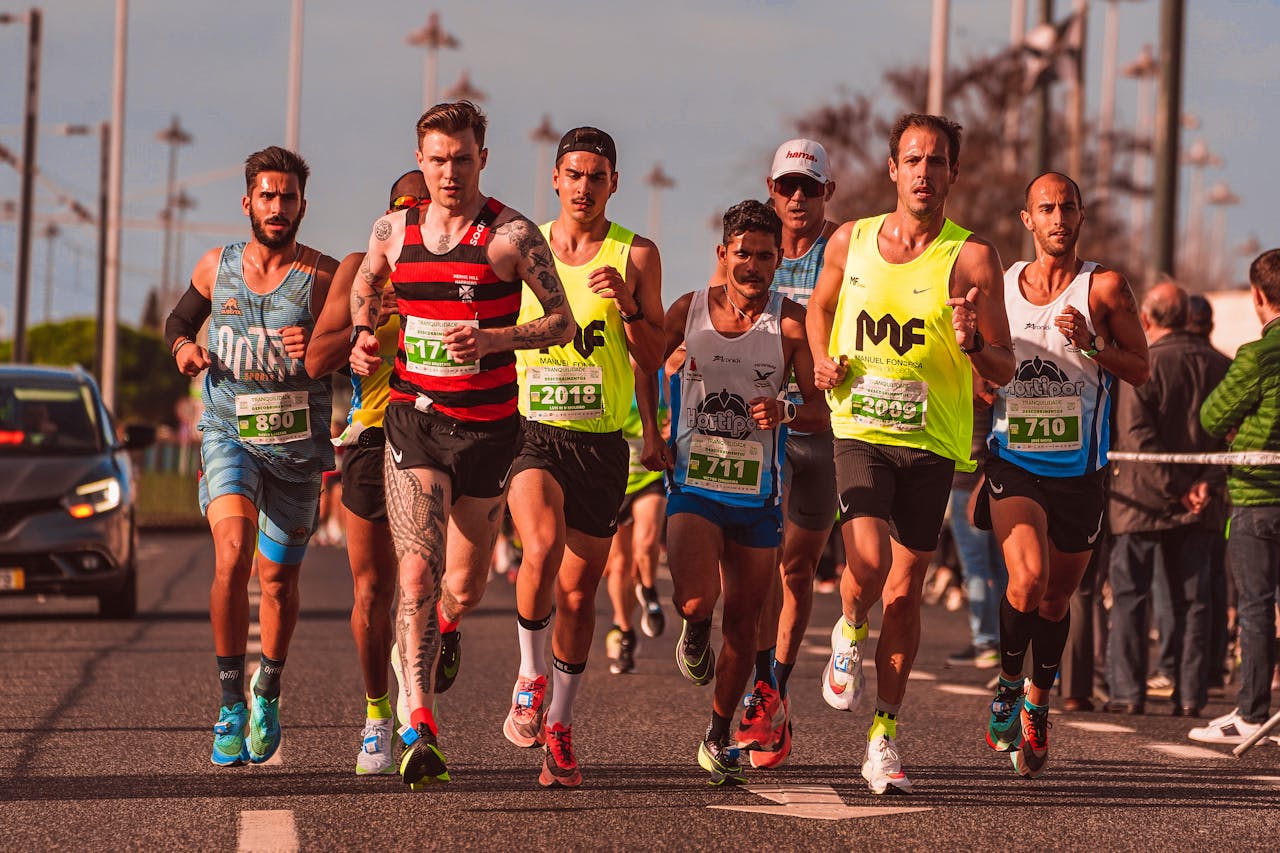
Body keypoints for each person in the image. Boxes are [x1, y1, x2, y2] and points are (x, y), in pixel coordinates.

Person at [349, 101, 575, 787]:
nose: (450, 171)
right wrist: (363, 334)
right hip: (416, 420)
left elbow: (562, 320)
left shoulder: (510, 235)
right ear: (421, 160)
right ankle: (420, 724)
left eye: (463, 158)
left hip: (488, 430)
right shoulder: (392, 230)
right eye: (438, 159)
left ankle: (445, 624)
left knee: (464, 585)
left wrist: (497, 338)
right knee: (412, 573)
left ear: (483, 157)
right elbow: (366, 285)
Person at [807, 113, 1015, 794]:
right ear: (893, 168)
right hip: (861, 428)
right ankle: (847, 625)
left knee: (905, 591)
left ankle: (884, 735)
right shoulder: (852, 238)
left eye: (938, 161)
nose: (925, 172)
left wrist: (972, 340)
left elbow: (1006, 365)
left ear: (955, 172)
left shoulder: (973, 256)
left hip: (932, 442)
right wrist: (820, 358)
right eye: (913, 159)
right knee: (865, 564)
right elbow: (820, 307)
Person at [164, 146, 338, 768]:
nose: (277, 207)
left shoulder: (324, 276)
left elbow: (363, 340)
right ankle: (230, 700)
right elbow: (178, 320)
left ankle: (269, 683)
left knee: (279, 581)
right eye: (266, 196)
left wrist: (325, 341)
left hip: (295, 447)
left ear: (301, 206)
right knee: (233, 554)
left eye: (287, 197)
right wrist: (185, 347)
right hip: (229, 429)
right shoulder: (218, 267)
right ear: (248, 203)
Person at [502, 127, 664, 788]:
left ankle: (561, 727)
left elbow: (654, 356)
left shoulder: (638, 254)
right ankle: (528, 674)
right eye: (573, 174)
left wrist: (628, 306)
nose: (584, 187)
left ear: (613, 184)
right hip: (533, 429)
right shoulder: (519, 248)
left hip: (600, 442)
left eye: (597, 177)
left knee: (577, 592)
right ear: (556, 179)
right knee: (538, 548)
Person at [980, 172, 1149, 778]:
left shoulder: (1102, 288)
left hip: (1080, 469)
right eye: (1045, 208)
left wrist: (1094, 344)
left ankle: (1037, 703)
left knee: (1056, 597)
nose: (1058, 218)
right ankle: (1004, 684)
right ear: (1027, 219)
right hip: (1014, 460)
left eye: (1068, 207)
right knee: (1026, 581)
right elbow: (985, 378)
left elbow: (1141, 369)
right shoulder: (999, 288)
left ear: (1081, 216)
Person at [661, 199, 825, 785]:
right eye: (742, 254)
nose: (753, 265)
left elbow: (820, 408)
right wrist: (650, 425)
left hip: (756, 498)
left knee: (747, 621)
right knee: (698, 602)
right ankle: (692, 628)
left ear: (778, 259)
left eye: (764, 255)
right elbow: (635, 359)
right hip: (695, 487)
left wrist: (786, 409)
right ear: (722, 255)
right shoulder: (689, 310)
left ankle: (716, 734)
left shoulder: (790, 323)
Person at [305, 170, 428, 775]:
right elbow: (315, 357)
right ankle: (381, 715)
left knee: (434, 585)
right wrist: (360, 328)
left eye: (424, 207)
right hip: (371, 434)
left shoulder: (467, 265)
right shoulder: (364, 268)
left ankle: (425, 683)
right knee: (374, 589)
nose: (415, 216)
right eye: (405, 208)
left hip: (441, 432)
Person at [736, 139, 839, 769]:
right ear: (771, 189)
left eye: (809, 188)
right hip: (758, 433)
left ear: (828, 193)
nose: (796, 198)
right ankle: (759, 689)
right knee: (757, 572)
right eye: (786, 187)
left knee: (796, 570)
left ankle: (774, 682)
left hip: (821, 429)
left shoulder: (845, 254)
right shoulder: (751, 251)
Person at [1105, 282, 1229, 718]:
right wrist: (1204, 484)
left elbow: (1137, 437)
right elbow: (1231, 440)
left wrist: (1178, 486)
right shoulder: (1223, 365)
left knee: (1130, 597)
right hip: (1203, 503)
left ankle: (1128, 692)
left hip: (1140, 501)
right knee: (1196, 602)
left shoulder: (1144, 366)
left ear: (1149, 320)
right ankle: (1192, 695)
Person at [1189, 248, 1280, 745]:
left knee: (1255, 606)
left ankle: (1251, 714)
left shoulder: (1259, 354)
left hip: (1259, 497)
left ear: (1259, 297)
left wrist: (1241, 431)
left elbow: (1211, 418)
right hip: (1261, 493)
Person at [602, 383, 669, 675]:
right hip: (613, 480)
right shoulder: (606, 361)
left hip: (648, 475)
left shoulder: (658, 365)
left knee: (648, 540)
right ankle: (625, 631)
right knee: (619, 566)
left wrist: (668, 428)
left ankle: (650, 590)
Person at [945, 377, 1007, 670]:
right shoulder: (994, 374)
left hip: (968, 482)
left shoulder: (970, 379)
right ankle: (1002, 639)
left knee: (977, 567)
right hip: (994, 481)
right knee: (998, 567)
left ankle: (985, 640)